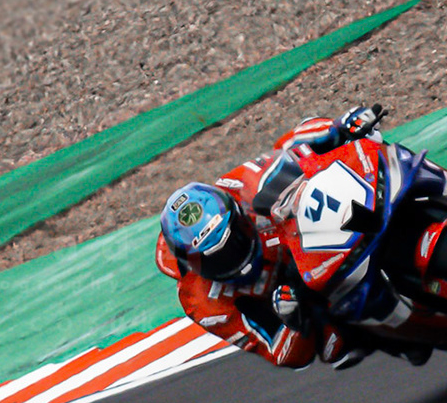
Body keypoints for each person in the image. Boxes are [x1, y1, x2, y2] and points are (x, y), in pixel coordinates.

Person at [155, 105, 420, 371]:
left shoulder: (237, 185)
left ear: (237, 214)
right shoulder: (203, 303)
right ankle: (401, 335)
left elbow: (291, 147)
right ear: (192, 264)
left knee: (368, 155)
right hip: (294, 294)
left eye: (233, 239)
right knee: (334, 346)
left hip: (311, 232)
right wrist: (293, 320)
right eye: (216, 258)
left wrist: (338, 129)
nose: (233, 256)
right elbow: (280, 354)